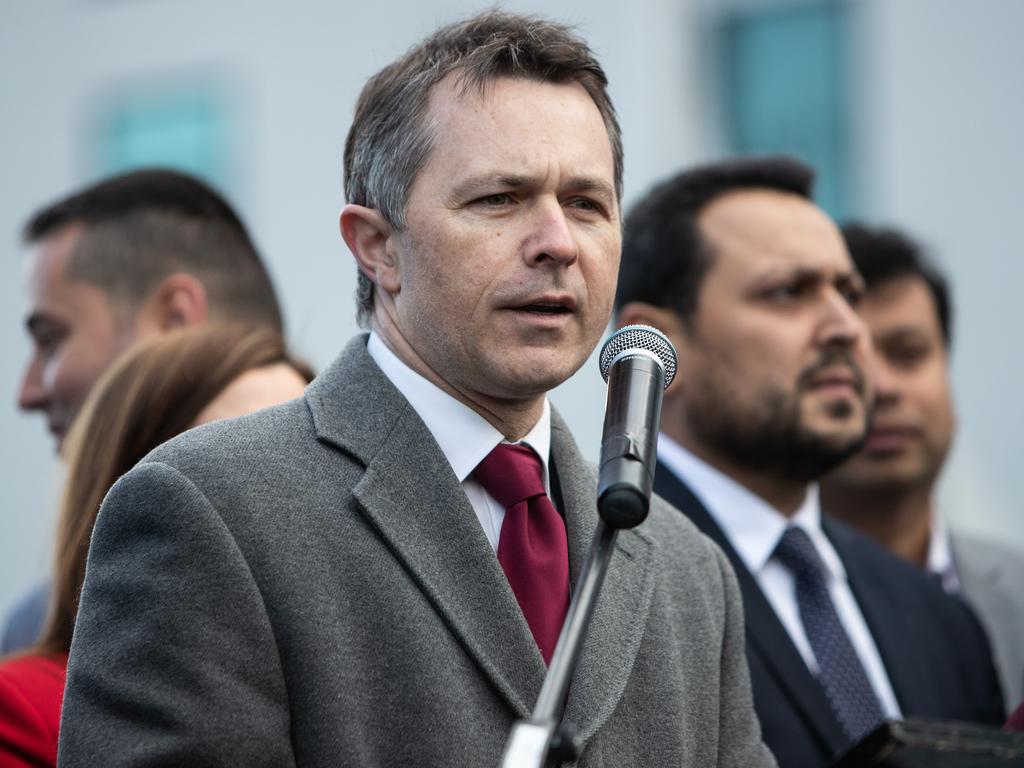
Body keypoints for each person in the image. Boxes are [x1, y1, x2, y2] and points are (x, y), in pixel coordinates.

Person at [57, 12, 776, 767]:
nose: (559, 243)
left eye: (587, 204)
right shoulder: (206, 512)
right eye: (499, 199)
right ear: (377, 248)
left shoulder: (687, 566)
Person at [615, 156, 1005, 768]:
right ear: (662, 347)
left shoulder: (942, 622)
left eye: (847, 293)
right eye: (789, 292)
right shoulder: (595, 586)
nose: (849, 329)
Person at [0, 324, 311, 767]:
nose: (285, 492)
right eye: (235, 456)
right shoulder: (22, 709)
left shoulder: (343, 689)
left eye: (303, 457)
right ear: (133, 488)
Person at [3, 168, 285, 653]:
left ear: (174, 319)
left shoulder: (61, 629)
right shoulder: (391, 527)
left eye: (50, 339)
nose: (26, 393)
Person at [821, 224, 1024, 710]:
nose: (884, 388)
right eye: (851, 362)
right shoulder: (746, 598)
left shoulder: (1017, 594)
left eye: (908, 354)